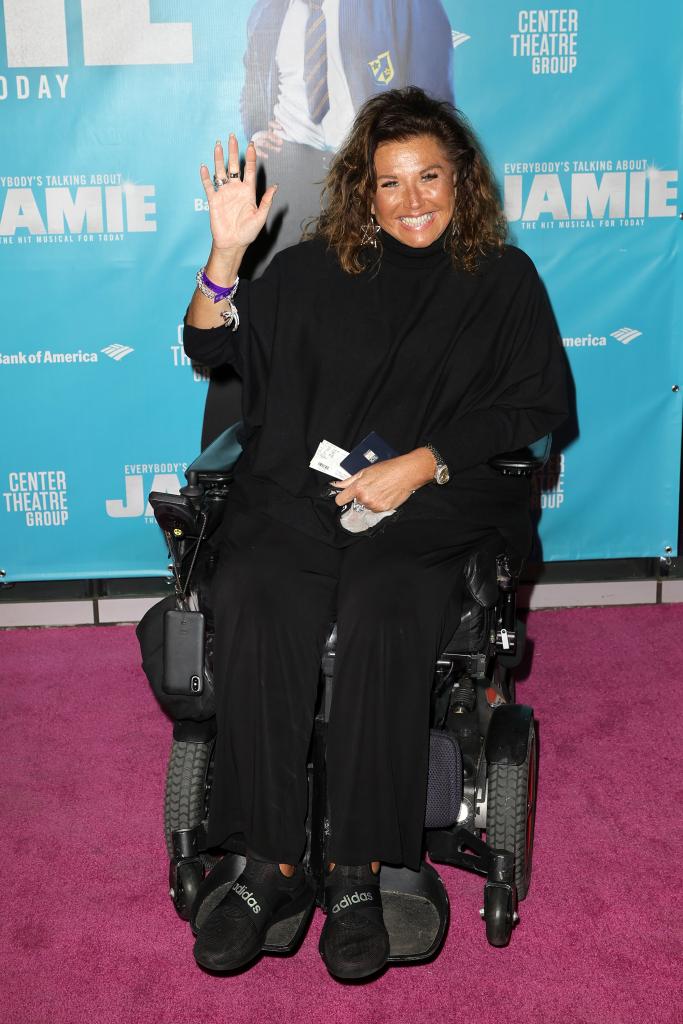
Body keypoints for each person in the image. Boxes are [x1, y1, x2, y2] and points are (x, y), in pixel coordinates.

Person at [183, 86, 568, 980]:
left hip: (437, 500)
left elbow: (536, 402)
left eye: (429, 175)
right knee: (254, 585)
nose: (412, 200)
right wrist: (227, 253)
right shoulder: (314, 272)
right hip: (305, 493)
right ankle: (269, 864)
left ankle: (359, 868)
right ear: (362, 190)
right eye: (389, 182)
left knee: (385, 598)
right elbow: (210, 347)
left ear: (461, 180)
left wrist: (425, 459)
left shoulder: (502, 280)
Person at [240, 0, 455, 267]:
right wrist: (259, 129)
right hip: (292, 170)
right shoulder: (269, 9)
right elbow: (253, 79)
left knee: (374, 281)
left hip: (366, 168)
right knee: (293, 285)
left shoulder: (399, 5)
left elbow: (435, 99)